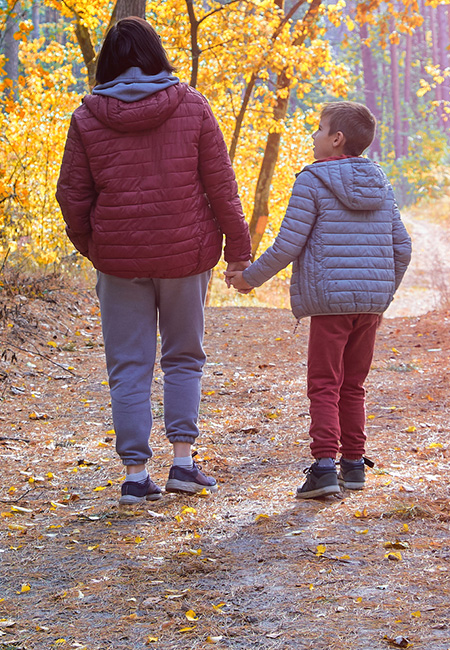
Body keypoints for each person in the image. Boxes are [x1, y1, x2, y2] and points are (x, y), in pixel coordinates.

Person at [56, 17, 251, 505]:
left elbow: (72, 198)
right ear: (156, 54)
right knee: (184, 357)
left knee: (129, 365)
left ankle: (135, 475)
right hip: (187, 257)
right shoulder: (191, 104)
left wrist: (95, 246)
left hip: (119, 260)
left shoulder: (86, 117)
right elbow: (221, 184)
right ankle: (183, 463)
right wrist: (238, 250)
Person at [226, 101, 411, 499]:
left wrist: (248, 279)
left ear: (336, 139)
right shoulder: (380, 181)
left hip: (330, 305)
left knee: (325, 384)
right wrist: (382, 291)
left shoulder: (312, 180)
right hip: (369, 306)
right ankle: (354, 464)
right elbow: (403, 248)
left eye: (319, 128)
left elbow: (288, 244)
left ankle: (324, 466)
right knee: (354, 384)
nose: (314, 135)